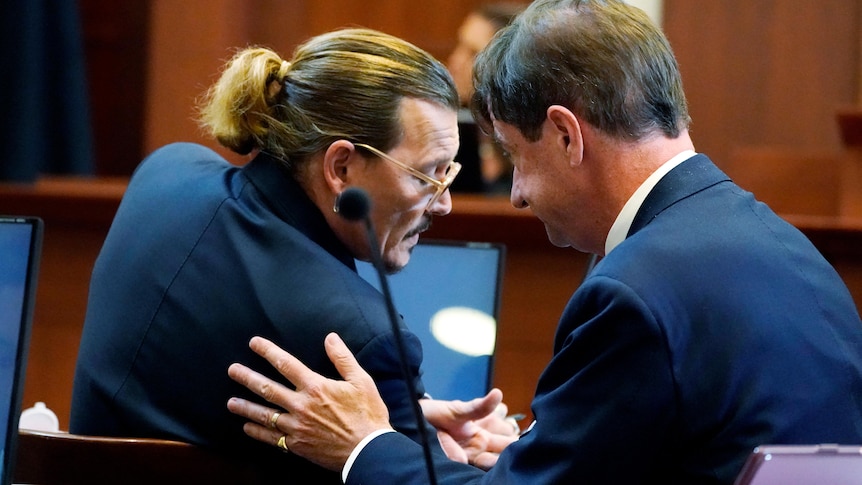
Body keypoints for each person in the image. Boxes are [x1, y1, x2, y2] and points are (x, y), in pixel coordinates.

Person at [225, 1, 862, 483]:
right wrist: (544, 455)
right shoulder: (790, 251)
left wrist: (364, 444)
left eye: (515, 156)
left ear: (565, 134)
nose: (517, 196)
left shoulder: (630, 295)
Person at [69, 28, 517, 483]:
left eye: (449, 173)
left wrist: (408, 413)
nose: (444, 203)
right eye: (426, 176)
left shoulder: (164, 175)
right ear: (341, 167)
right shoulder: (357, 340)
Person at [447, 3, 522, 195]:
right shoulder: (450, 135)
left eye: (472, 53)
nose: (455, 61)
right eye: (459, 46)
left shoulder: (532, 144)